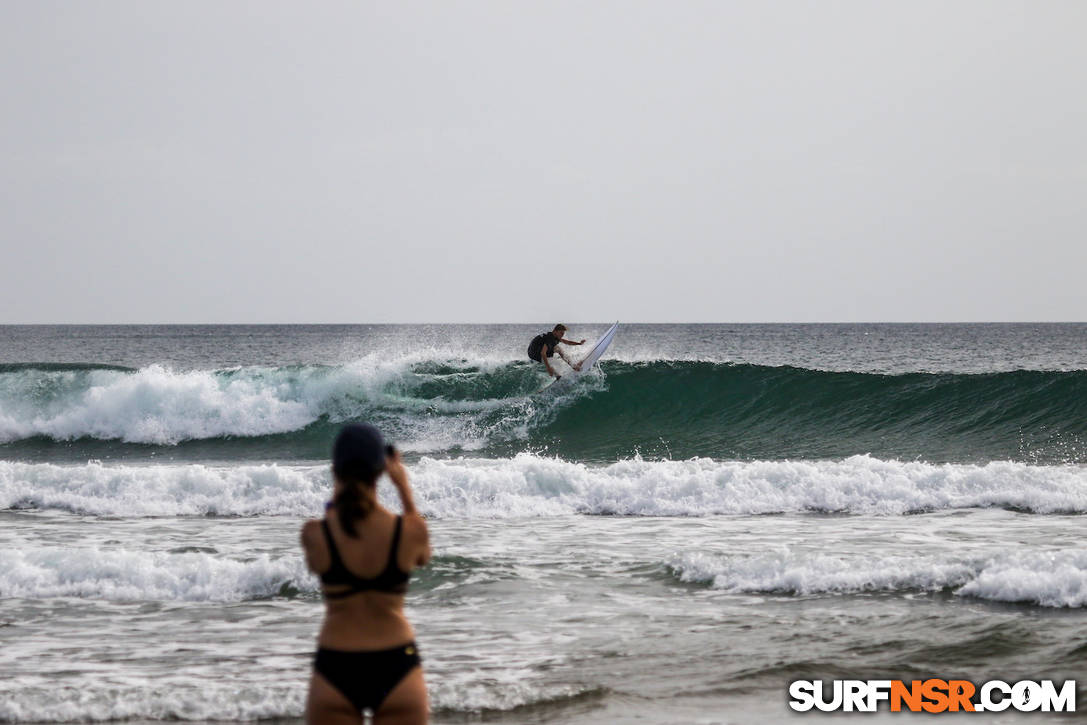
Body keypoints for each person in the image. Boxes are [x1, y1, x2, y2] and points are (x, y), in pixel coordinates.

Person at [301, 423, 431, 724]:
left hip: (336, 665)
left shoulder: (315, 535)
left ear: (336, 470)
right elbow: (423, 556)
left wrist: (339, 489)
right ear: (381, 469)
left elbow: (329, 531)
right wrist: (403, 488)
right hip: (397, 664)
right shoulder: (409, 531)